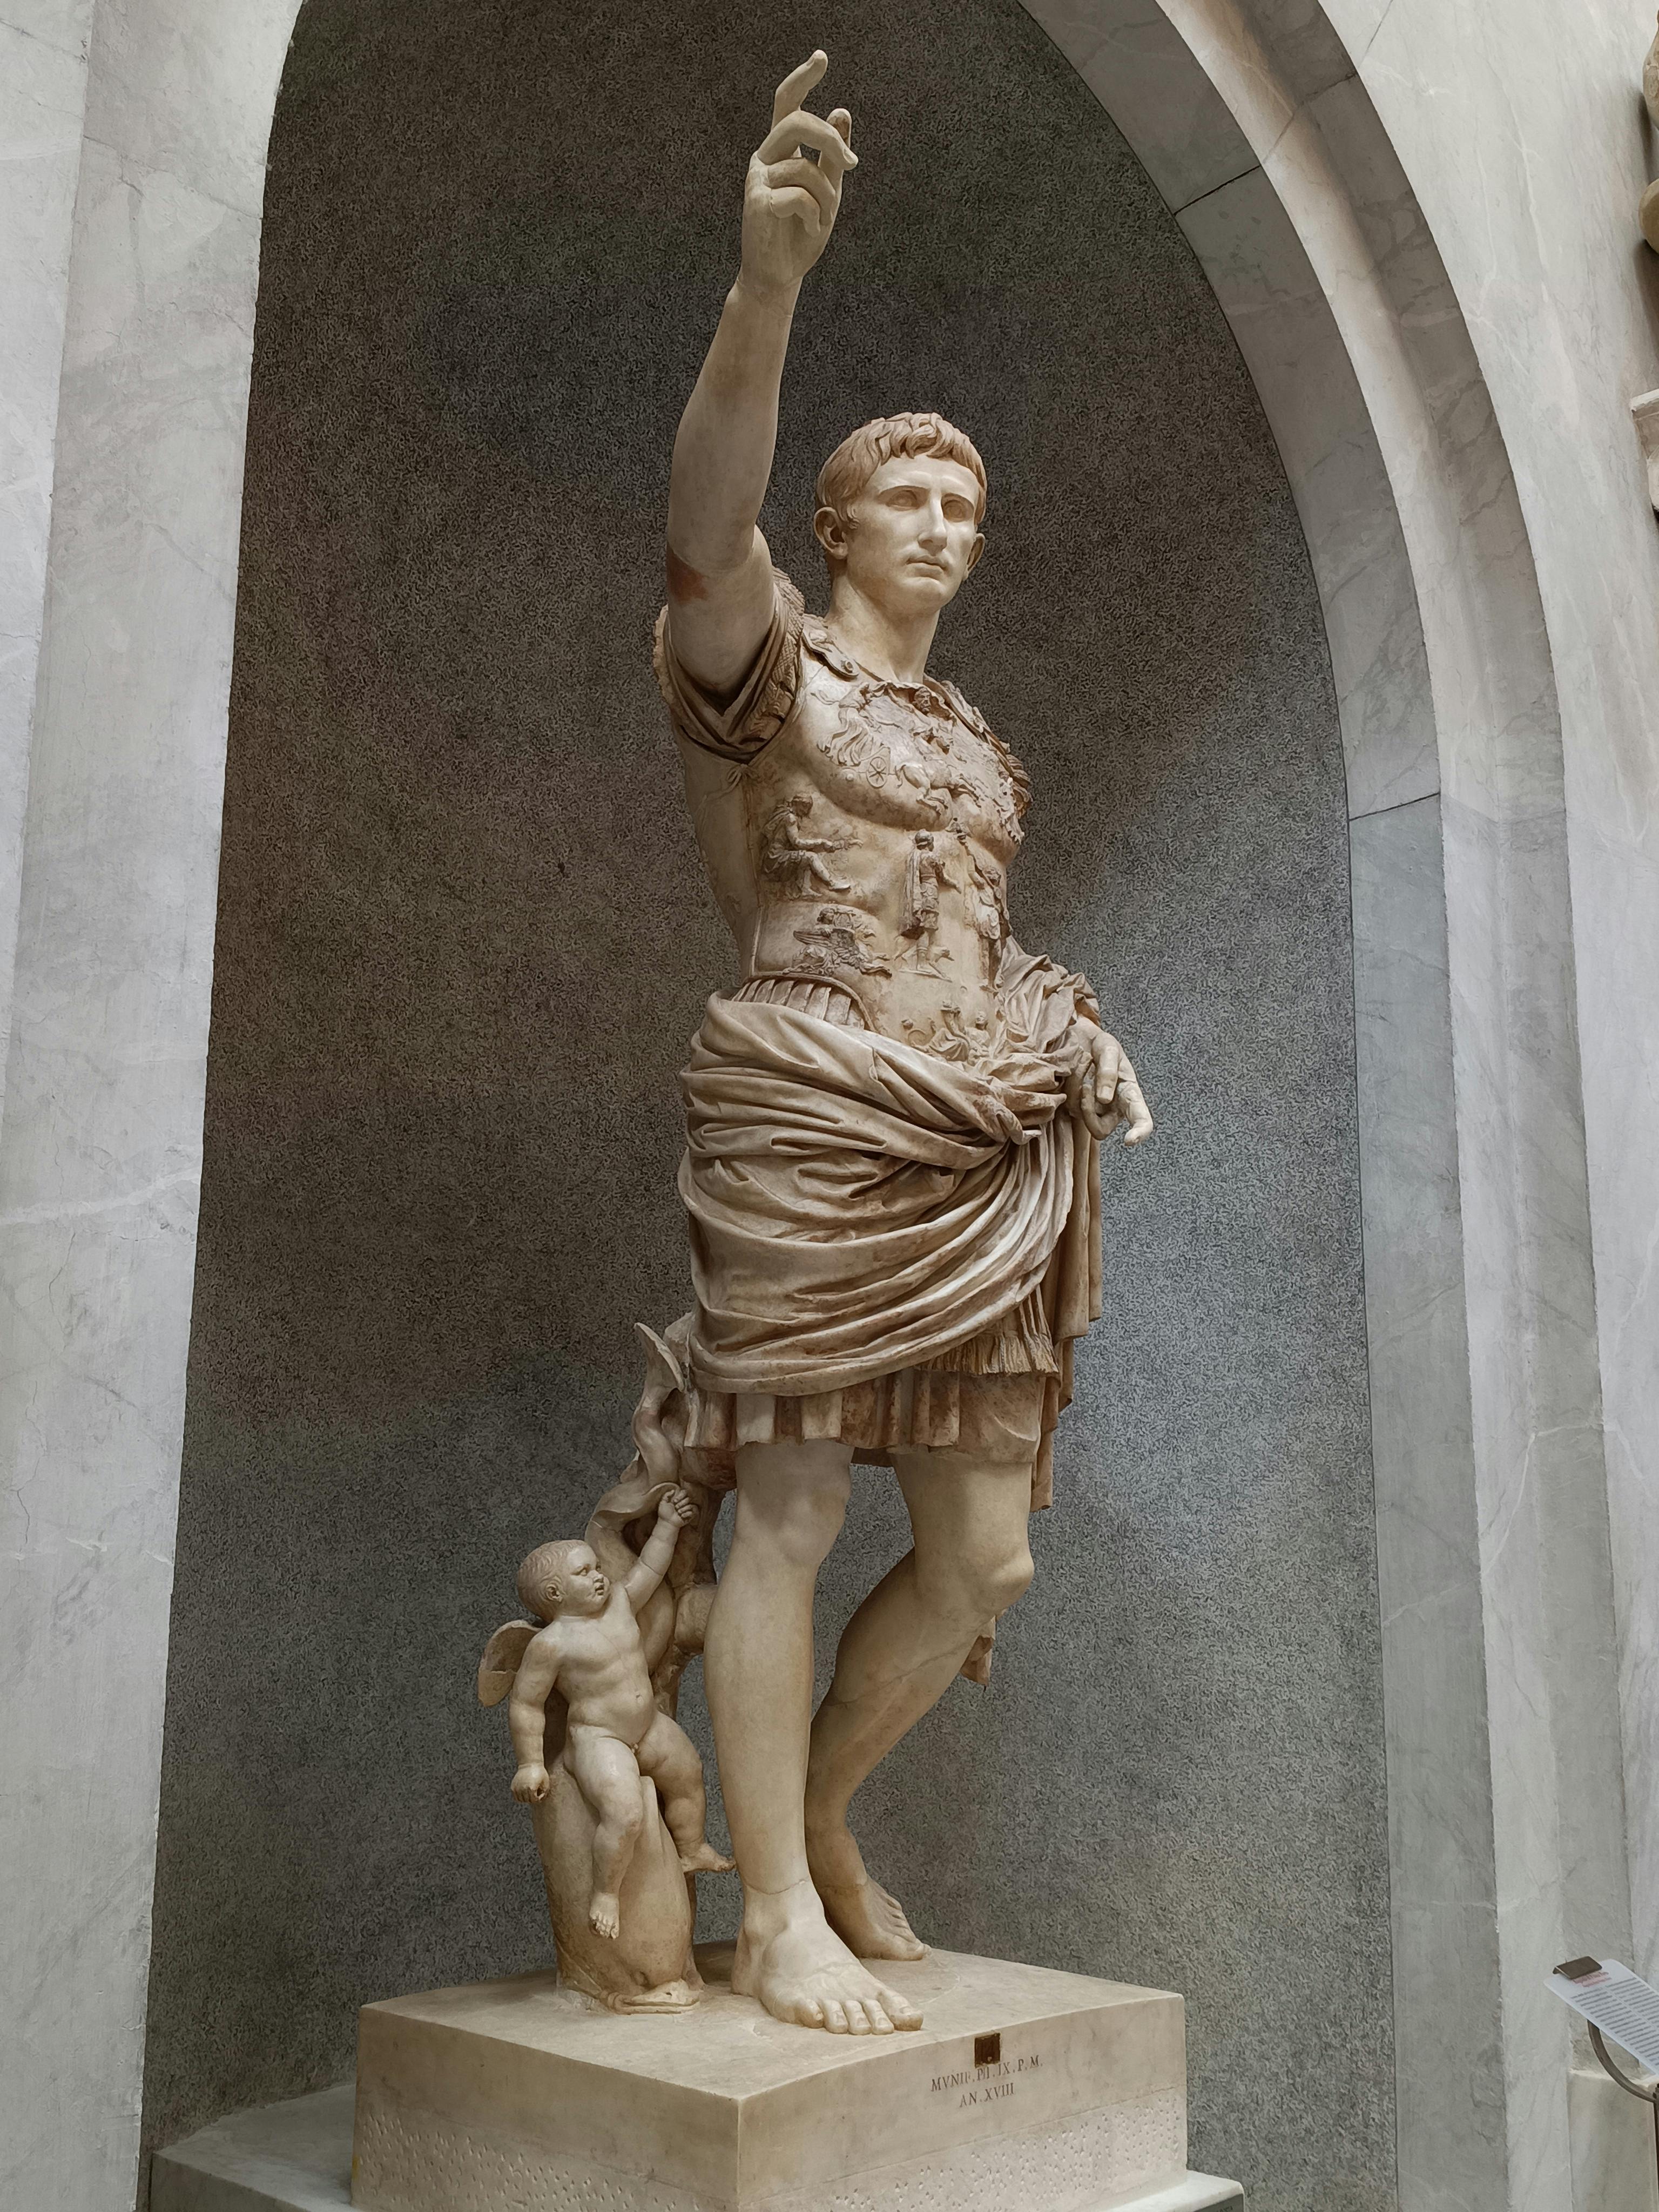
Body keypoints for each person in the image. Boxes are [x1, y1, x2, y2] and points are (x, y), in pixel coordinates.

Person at [654, 50, 1153, 2036]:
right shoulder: (767, 672)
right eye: (905, 498)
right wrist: (766, 287)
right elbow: (703, 522)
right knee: (787, 1507)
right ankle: (774, 1909)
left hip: (977, 1146)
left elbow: (991, 935)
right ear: (837, 523)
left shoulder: (978, 740)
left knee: (984, 1561)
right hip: (810, 1107)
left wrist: (1065, 1025)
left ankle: (821, 1814)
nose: (941, 525)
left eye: (964, 504)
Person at [507, 1490, 733, 1941]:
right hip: (599, 1739)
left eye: (597, 1567)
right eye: (585, 1572)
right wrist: (530, 1763)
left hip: (647, 1727)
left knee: (689, 1772)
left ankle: (691, 1847)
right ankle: (606, 1892)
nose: (599, 1577)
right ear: (554, 1593)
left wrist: (668, 1524)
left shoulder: (619, 1603)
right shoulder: (551, 1645)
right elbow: (526, 1703)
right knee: (626, 1814)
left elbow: (649, 1569)